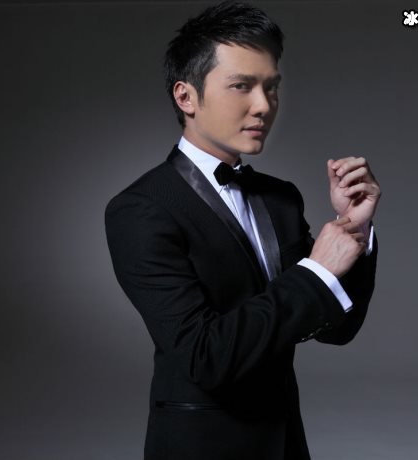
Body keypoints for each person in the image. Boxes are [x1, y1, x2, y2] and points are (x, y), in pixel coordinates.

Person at [104, 2, 380, 459]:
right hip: (201, 446)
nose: (264, 105)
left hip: (286, 443)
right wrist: (316, 270)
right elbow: (204, 357)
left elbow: (337, 328)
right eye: (241, 86)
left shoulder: (280, 197)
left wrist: (356, 227)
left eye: (272, 87)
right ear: (186, 97)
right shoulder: (140, 210)